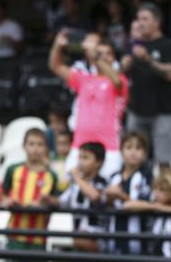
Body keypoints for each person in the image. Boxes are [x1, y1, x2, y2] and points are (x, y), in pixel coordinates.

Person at [50, 30, 127, 180]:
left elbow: (116, 82)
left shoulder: (120, 79)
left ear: (114, 58)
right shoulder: (84, 79)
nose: (103, 56)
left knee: (107, 186)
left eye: (107, 53)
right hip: (80, 143)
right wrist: (57, 46)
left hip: (109, 145)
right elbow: (55, 66)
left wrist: (96, 56)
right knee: (70, 184)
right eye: (99, 53)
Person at [121, 2, 171, 170]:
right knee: (133, 158)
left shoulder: (167, 45)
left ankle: (167, 194)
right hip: (137, 109)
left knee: (163, 159)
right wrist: (125, 63)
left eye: (145, 19)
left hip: (162, 111)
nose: (140, 23)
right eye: (138, 19)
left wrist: (149, 59)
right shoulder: (133, 45)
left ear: (157, 22)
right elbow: (122, 73)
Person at [1, 128, 60, 262]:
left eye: (40, 144)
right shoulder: (13, 170)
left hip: (38, 236)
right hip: (15, 232)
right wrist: (8, 201)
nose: (35, 148)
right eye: (31, 144)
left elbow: (57, 200)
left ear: (46, 148)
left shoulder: (51, 175)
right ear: (24, 146)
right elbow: (3, 194)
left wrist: (48, 201)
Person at [106, 131, 153, 262]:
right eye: (128, 147)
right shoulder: (113, 177)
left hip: (139, 244)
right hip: (115, 242)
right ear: (121, 151)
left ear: (145, 153)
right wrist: (108, 198)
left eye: (138, 148)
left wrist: (121, 196)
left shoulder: (147, 177)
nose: (133, 152)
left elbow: (147, 204)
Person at [58, 142, 108, 262]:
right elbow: (61, 201)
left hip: (98, 236)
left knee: (81, 240)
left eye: (85, 158)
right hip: (78, 234)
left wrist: (77, 178)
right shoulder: (75, 184)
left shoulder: (102, 181)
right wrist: (46, 198)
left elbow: (95, 196)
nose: (80, 162)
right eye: (79, 157)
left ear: (99, 162)